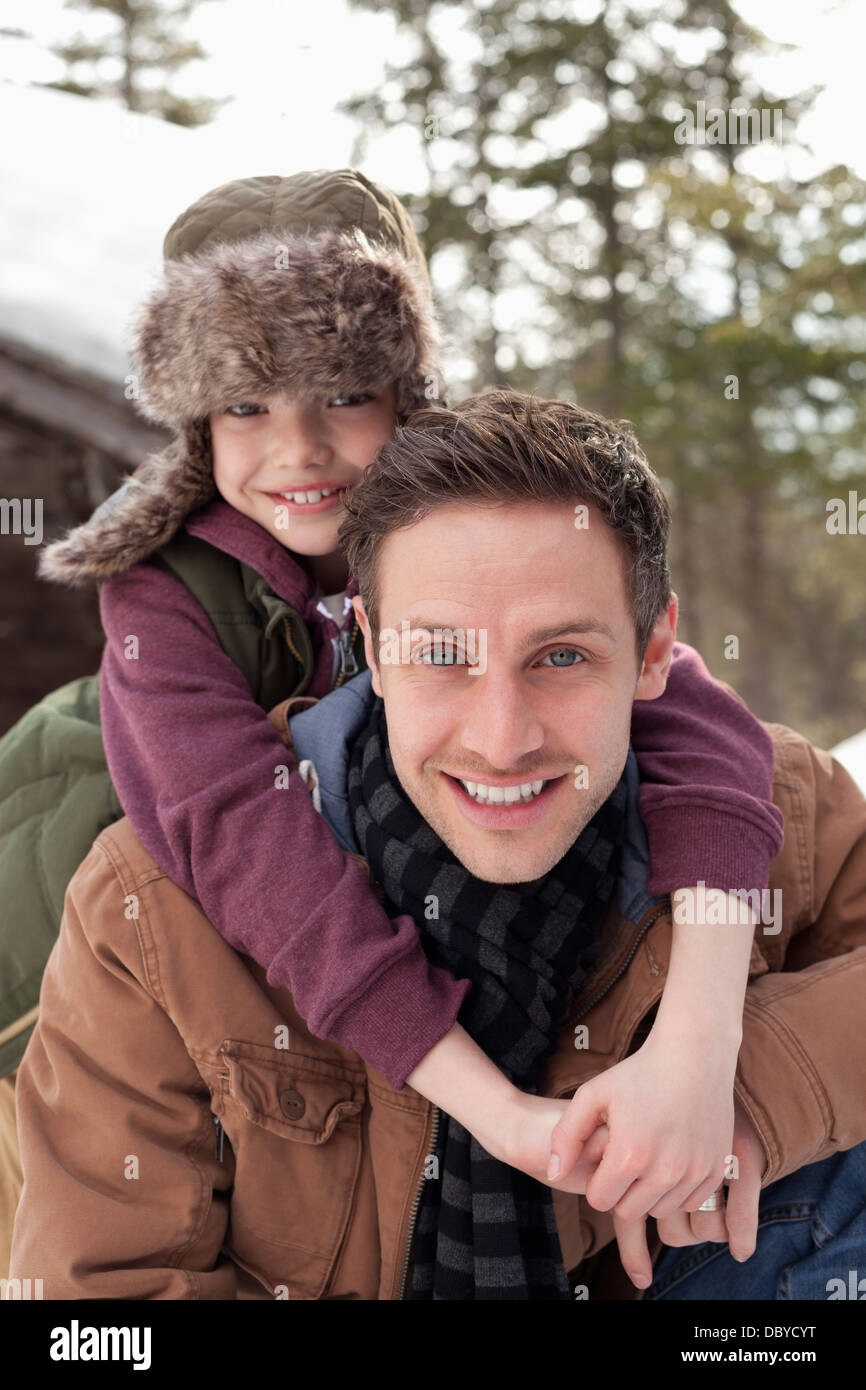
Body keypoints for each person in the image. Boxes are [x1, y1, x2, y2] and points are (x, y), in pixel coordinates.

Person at [22, 170, 779, 1277]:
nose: (298, 451)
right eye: (244, 404)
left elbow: (690, 719)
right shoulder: (162, 593)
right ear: (194, 421)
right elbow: (249, 844)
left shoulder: (493, 526)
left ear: (406, 388)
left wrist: (702, 1041)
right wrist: (493, 1110)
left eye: (340, 393)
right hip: (78, 943)